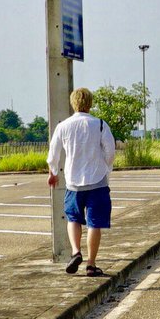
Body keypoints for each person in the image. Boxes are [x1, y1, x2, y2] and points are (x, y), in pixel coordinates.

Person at [46, 87, 116, 277]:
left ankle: (76, 252)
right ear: (90, 103)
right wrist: (105, 167)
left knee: (73, 218)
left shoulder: (63, 126)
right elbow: (110, 151)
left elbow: (53, 154)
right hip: (98, 182)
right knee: (94, 223)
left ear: (73, 103)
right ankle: (91, 265)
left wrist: (53, 172)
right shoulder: (100, 124)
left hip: (73, 182)